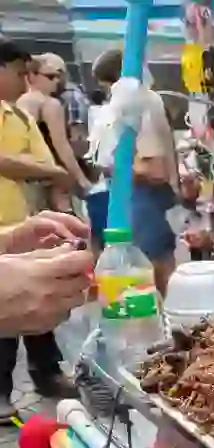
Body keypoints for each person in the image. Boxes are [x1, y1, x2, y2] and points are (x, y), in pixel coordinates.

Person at [0, 38, 85, 414]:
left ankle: (47, 373)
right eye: (20, 73)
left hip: (18, 222)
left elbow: (45, 162)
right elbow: (39, 167)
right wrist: (54, 173)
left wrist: (60, 195)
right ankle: (1, 393)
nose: (25, 83)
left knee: (41, 305)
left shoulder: (18, 117)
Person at [89, 48, 181, 295]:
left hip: (146, 195)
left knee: (154, 265)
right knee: (154, 263)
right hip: (143, 195)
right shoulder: (143, 101)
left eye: (109, 87)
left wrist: (116, 169)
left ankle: (168, 321)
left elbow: (154, 169)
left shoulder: (139, 104)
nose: (109, 95)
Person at [17, 53, 94, 209]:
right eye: (51, 77)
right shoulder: (50, 104)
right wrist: (81, 179)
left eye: (59, 76)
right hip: (50, 177)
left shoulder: (17, 102)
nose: (57, 81)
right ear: (32, 75)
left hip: (24, 176)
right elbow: (61, 145)